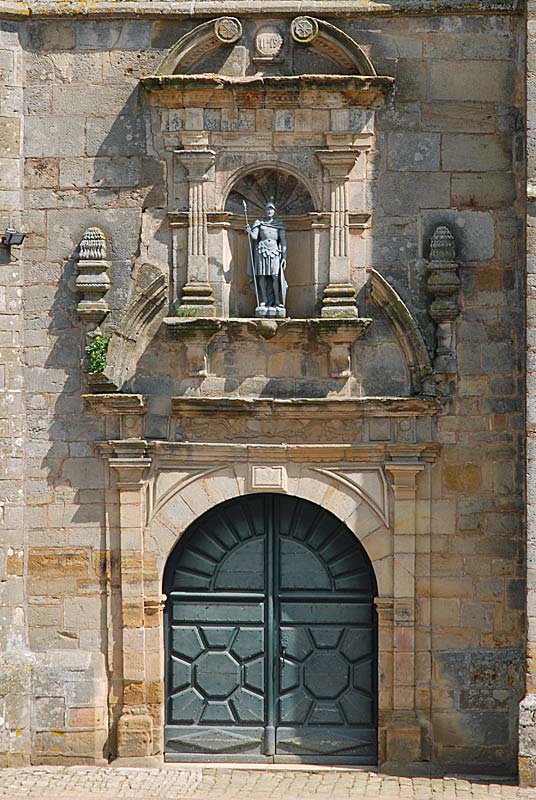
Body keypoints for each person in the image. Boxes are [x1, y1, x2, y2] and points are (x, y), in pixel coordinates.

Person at [245, 199, 287, 312]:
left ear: (274, 211)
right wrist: (249, 231)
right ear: (265, 210)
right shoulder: (258, 222)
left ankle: (277, 300)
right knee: (262, 276)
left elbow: (283, 242)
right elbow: (254, 237)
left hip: (274, 252)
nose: (269, 211)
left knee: (275, 276)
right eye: (268, 209)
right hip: (261, 250)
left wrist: (284, 257)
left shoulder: (279, 225)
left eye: (271, 209)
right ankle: (263, 299)